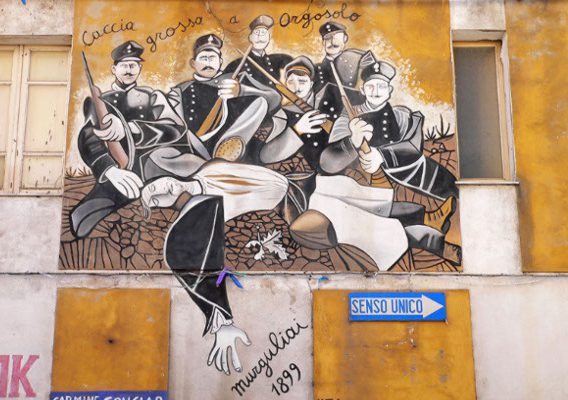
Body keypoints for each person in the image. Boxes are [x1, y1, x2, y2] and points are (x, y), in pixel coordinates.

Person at [70, 40, 185, 239]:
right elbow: (88, 137)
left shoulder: (153, 97)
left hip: (154, 169)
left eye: (133, 65)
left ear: (139, 69)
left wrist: (131, 129)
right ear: (114, 69)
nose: (129, 69)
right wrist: (109, 169)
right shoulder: (100, 102)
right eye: (124, 65)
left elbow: (174, 129)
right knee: (81, 217)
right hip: (118, 173)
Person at [319, 60, 458, 201]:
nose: (376, 92)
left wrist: (381, 156)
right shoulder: (348, 118)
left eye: (381, 86)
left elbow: (413, 147)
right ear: (363, 90)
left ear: (389, 90)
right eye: (370, 86)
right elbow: (328, 162)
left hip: (406, 177)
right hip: (361, 187)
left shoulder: (401, 115)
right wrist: (352, 141)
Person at [166, 33, 281, 166]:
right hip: (192, 144)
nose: (208, 63)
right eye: (203, 58)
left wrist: (242, 90)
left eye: (212, 58)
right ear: (193, 63)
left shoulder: (237, 78)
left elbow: (275, 99)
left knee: (260, 102)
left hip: (230, 146)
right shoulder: (181, 89)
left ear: (220, 61)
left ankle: (225, 150)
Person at [225, 15, 293, 87]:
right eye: (256, 32)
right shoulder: (235, 65)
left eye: (263, 32)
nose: (260, 36)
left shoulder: (279, 60)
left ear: (269, 37)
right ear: (250, 37)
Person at [313, 21, 374, 94]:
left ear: (345, 38)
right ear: (323, 42)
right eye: (327, 38)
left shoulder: (361, 58)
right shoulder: (317, 68)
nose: (332, 42)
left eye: (336, 38)